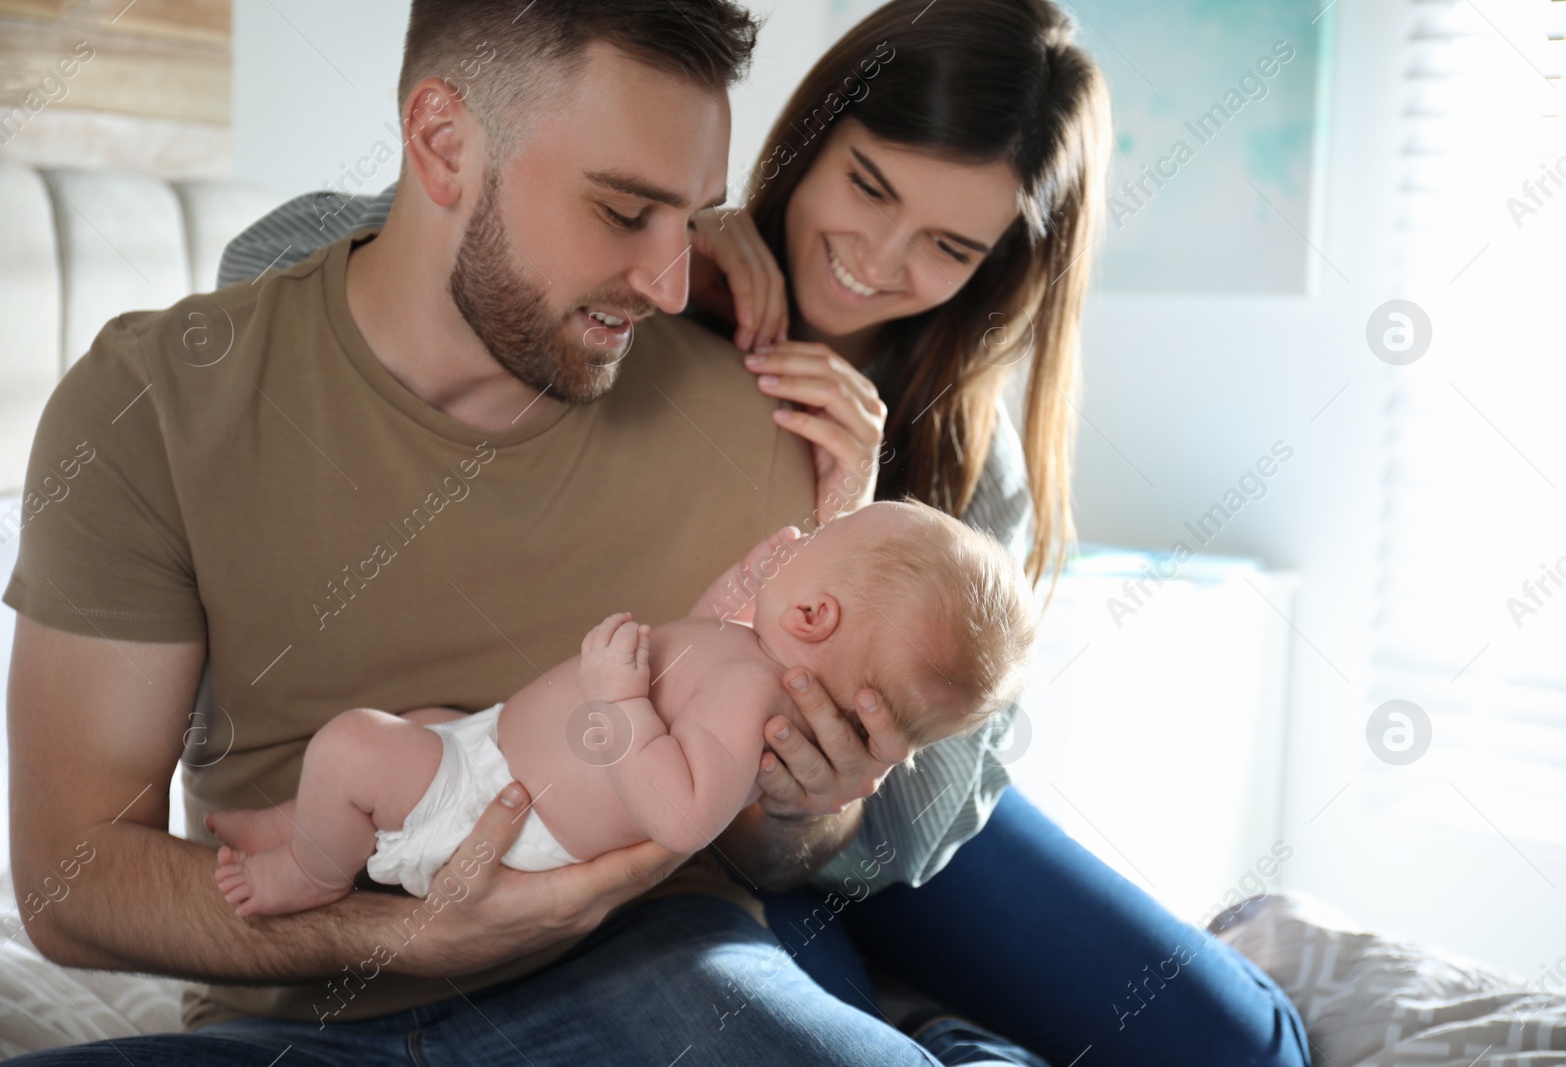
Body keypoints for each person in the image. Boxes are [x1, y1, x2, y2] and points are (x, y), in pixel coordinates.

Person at [218, 2, 1314, 1065]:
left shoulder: (975, 455)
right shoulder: (641, 270)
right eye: (866, 184)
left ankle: (953, 1031)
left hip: (839, 836)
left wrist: (819, 793)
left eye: (947, 244)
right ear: (810, 136)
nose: (877, 259)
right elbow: (265, 264)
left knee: (1245, 1045)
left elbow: (917, 838)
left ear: (1001, 268)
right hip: (686, 821)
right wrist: (668, 252)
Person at [1, 1, 1054, 1063]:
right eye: (623, 210)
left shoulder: (768, 428)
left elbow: (774, 843)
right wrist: (400, 931)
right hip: (305, 1021)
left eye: (693, 217)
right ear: (441, 143)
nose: (672, 282)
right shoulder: (151, 406)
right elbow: (68, 881)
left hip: (655, 969)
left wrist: (805, 802)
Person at [208, 502, 1034, 918]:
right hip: (492, 753)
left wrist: (619, 699)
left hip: (505, 816)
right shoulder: (748, 661)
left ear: (812, 616)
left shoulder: (754, 696)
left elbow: (681, 813)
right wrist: (737, 596)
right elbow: (694, 672)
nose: (800, 536)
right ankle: (289, 824)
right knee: (410, 728)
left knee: (354, 747)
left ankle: (308, 874)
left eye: (820, 536)